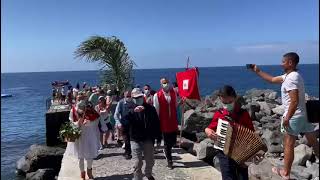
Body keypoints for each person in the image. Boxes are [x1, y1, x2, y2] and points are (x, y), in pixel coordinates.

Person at [249, 52, 319, 179]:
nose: (281, 63)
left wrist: (287, 117)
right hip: (304, 115)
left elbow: (294, 100)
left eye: (283, 61)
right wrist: (257, 70)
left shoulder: (291, 79)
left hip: (294, 117)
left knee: (288, 145)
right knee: (313, 141)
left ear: (290, 62)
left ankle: (285, 173)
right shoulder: (292, 76)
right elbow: (271, 80)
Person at [205, 85, 254, 180]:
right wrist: (208, 131)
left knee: (242, 177)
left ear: (235, 98)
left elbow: (251, 134)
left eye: (230, 102)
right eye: (224, 102)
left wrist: (248, 156)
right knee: (228, 177)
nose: (227, 104)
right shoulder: (219, 114)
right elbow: (210, 128)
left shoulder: (243, 114)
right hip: (224, 152)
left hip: (241, 152)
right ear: (220, 99)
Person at [124, 88, 161, 180]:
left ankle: (148, 174)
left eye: (140, 97)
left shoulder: (150, 109)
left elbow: (156, 123)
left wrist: (158, 138)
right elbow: (124, 122)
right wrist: (133, 112)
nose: (138, 99)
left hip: (148, 138)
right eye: (136, 98)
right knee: (137, 162)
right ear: (133, 98)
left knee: (150, 160)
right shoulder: (129, 109)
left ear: (143, 97)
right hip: (135, 139)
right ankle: (137, 178)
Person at [66, 100, 100, 180]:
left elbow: (97, 120)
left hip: (88, 135)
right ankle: (82, 174)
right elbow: (71, 122)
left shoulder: (90, 110)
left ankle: (89, 171)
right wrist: (77, 123)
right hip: (78, 136)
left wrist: (89, 123)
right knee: (80, 156)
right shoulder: (73, 110)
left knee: (90, 155)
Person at [153, 77, 181, 169]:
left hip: (173, 121)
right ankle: (169, 161)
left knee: (173, 141)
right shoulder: (157, 95)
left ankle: (167, 151)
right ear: (161, 85)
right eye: (164, 83)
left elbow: (176, 105)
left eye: (167, 82)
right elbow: (156, 110)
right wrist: (156, 124)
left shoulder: (173, 93)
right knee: (167, 143)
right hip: (164, 122)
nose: (166, 84)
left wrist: (181, 102)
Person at [114, 89, 135, 159]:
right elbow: (116, 115)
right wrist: (119, 123)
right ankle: (128, 153)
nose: (129, 97)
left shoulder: (134, 102)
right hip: (124, 123)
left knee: (134, 139)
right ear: (124, 96)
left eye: (130, 96)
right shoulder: (121, 103)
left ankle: (136, 152)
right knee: (126, 139)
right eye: (127, 96)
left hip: (133, 123)